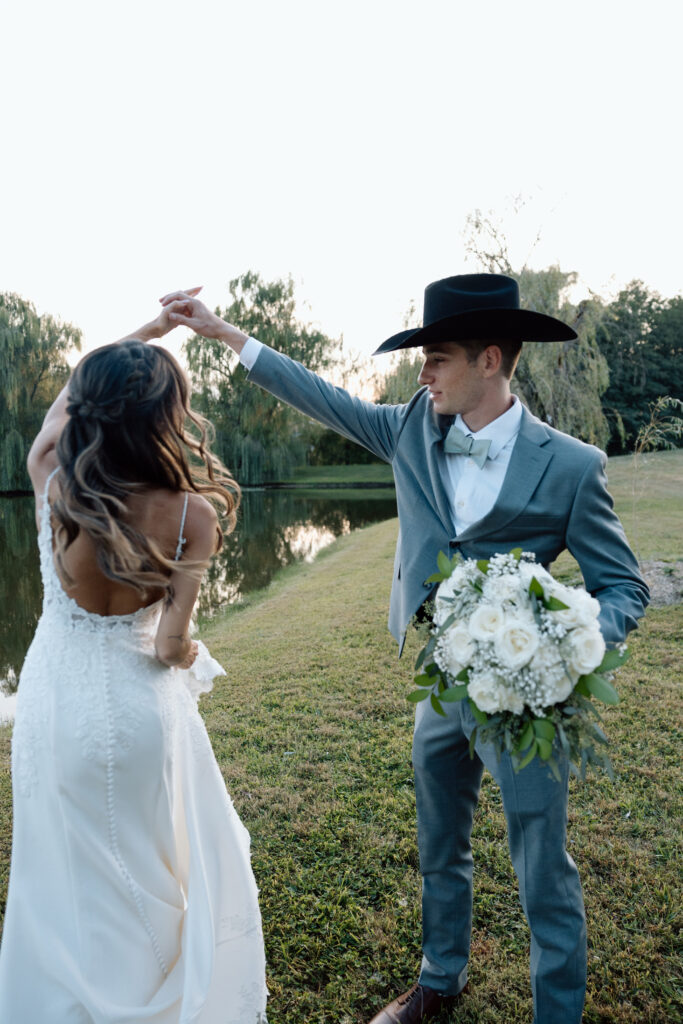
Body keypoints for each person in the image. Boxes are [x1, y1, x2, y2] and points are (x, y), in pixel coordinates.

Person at [161, 273, 648, 1024]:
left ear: (490, 360)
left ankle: (557, 1012)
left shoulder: (573, 466)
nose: (421, 375)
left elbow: (622, 588)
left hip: (527, 702)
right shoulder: (408, 429)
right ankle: (437, 983)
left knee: (542, 868)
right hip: (441, 686)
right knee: (438, 843)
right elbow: (318, 394)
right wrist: (222, 331)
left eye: (437, 359)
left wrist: (562, 643)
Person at [0, 302, 268, 1023]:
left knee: (62, 868)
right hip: (141, 710)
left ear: (89, 409)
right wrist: (194, 655)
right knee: (146, 869)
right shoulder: (192, 515)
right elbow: (168, 646)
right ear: (166, 415)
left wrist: (146, 331)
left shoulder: (55, 485)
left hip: (54, 706)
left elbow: (68, 397)